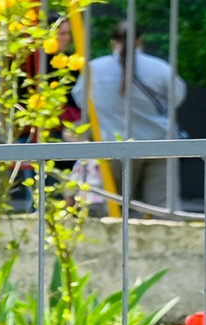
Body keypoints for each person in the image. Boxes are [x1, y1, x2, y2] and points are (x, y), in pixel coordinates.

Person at [79, 21, 185, 212]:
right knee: (162, 209)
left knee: (114, 207)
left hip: (113, 147)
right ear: (140, 41)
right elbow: (177, 97)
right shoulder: (160, 68)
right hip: (159, 147)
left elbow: (82, 102)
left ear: (113, 42)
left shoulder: (93, 70)